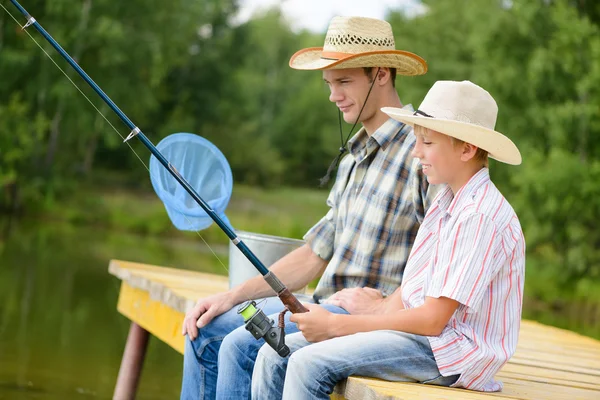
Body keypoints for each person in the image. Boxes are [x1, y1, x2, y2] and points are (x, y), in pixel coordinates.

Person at [180, 16, 435, 400]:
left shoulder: (424, 153)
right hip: (321, 304)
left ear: (381, 74)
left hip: (369, 323)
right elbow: (314, 255)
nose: (333, 95)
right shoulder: (353, 159)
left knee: (241, 347)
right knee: (206, 330)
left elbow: (442, 257)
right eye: (329, 84)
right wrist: (232, 297)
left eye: (344, 81)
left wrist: (383, 306)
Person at [251, 80, 525, 399]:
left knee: (306, 365)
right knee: (275, 352)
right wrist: (366, 312)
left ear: (467, 148)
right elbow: (414, 288)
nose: (416, 151)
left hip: (451, 352)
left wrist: (336, 326)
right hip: (425, 339)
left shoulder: (479, 215)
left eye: (428, 142)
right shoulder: (447, 201)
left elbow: (433, 320)